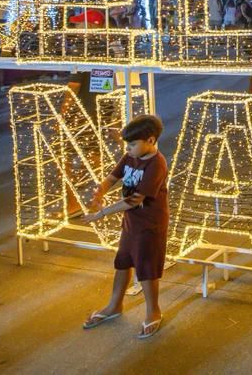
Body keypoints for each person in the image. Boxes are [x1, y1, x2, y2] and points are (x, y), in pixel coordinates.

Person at [82, 114, 170, 340]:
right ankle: (114, 305)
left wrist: (100, 214)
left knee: (146, 268)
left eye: (132, 144)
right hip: (132, 222)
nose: (128, 149)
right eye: (127, 145)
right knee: (123, 261)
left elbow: (134, 200)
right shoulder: (131, 156)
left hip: (150, 224)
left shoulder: (156, 164)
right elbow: (114, 176)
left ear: (150, 140)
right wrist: (100, 189)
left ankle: (153, 311)